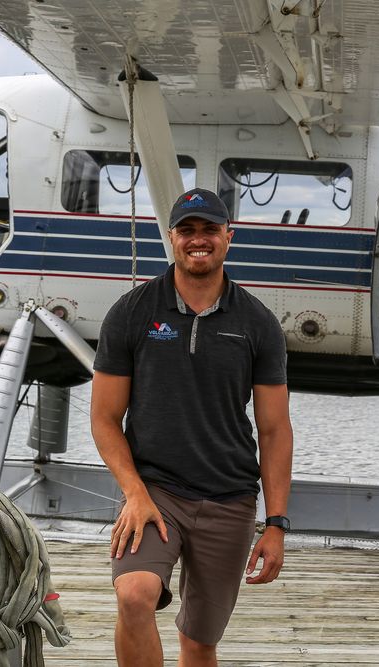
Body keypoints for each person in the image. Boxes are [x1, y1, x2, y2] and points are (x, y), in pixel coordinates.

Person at [90, 187, 294, 666]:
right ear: (171, 238)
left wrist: (277, 524)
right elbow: (103, 419)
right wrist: (134, 493)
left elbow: (274, 430)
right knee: (134, 595)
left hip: (230, 497)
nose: (197, 240)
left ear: (228, 236)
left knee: (200, 643)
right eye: (187, 230)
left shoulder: (258, 323)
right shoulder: (132, 312)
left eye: (209, 230)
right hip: (155, 490)